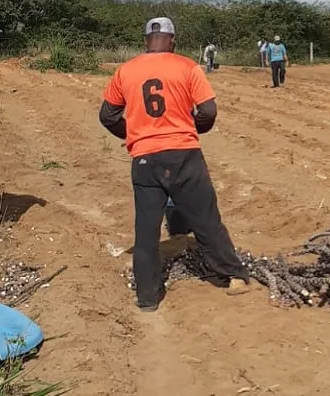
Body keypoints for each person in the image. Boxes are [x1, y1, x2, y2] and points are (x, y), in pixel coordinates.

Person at [98, 17, 250, 312]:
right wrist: (191, 128)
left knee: (146, 231)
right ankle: (233, 276)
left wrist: (133, 133)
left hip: (144, 159)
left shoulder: (125, 71)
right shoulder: (187, 67)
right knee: (206, 219)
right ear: (173, 41)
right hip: (184, 155)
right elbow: (208, 110)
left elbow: (107, 116)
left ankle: (147, 298)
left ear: (146, 41)